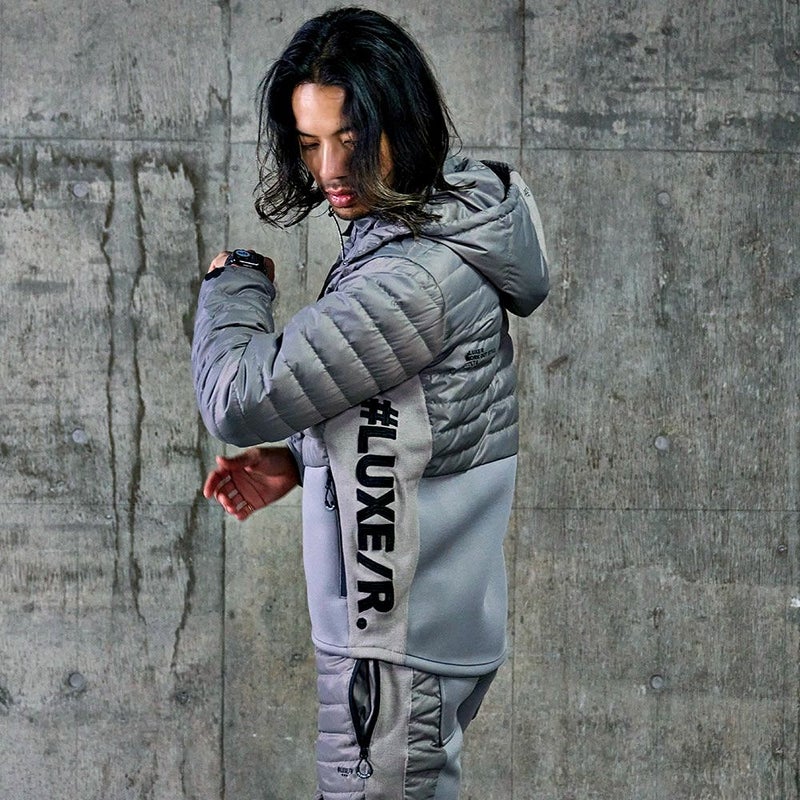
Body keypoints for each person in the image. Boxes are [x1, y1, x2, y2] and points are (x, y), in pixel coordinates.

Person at [191, 7, 549, 799]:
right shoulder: (427, 234)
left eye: (350, 139)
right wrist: (304, 460)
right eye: (309, 143)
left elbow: (237, 395)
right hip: (400, 636)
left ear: (403, 122)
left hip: (390, 648)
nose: (329, 169)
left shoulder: (413, 277)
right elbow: (411, 409)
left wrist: (234, 280)